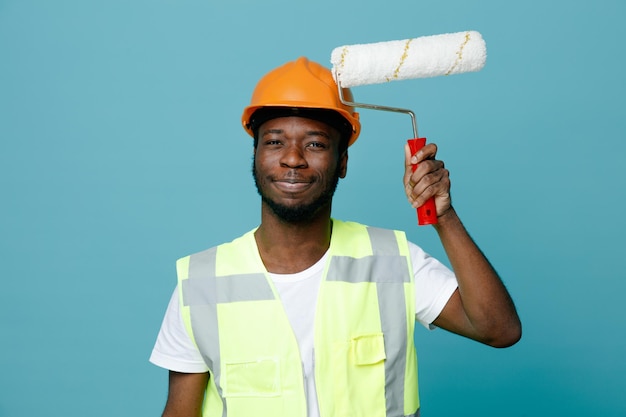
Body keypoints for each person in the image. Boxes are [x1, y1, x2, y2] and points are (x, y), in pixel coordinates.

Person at [150, 56, 521, 417]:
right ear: (256, 155)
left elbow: (498, 329)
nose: (292, 158)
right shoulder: (200, 285)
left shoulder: (392, 261)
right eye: (275, 142)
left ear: (342, 162)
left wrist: (444, 217)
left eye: (315, 144)